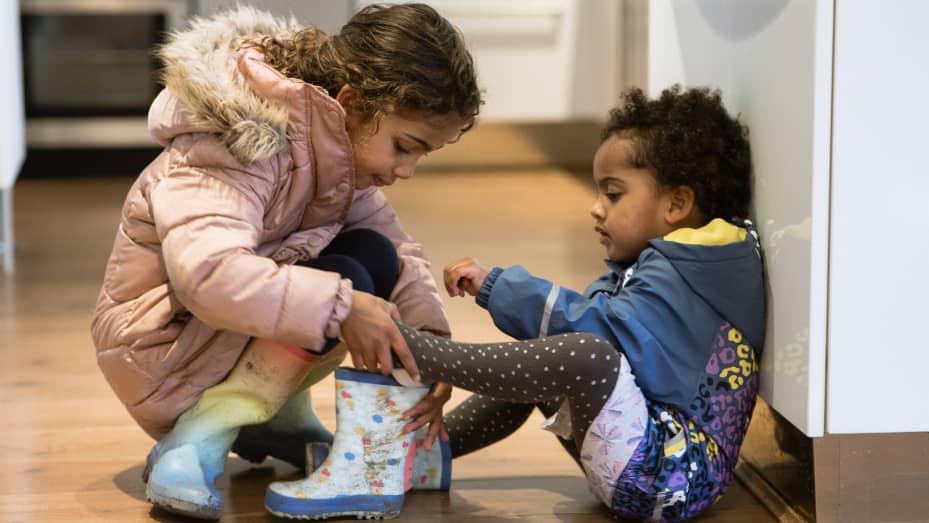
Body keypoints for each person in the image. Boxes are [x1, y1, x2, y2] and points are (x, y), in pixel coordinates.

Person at [266, 85, 764, 522]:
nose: (596, 207)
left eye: (613, 194)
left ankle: (411, 350)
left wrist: (500, 288)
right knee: (554, 353)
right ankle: (418, 456)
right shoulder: (684, 263)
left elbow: (606, 337)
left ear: (677, 204)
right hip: (654, 462)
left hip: (669, 478)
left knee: (584, 355)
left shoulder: (687, 275)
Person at [89, 3, 480, 519]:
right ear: (351, 102)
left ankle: (276, 415)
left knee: (373, 258)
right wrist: (343, 308)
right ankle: (196, 439)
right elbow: (209, 277)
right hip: (163, 352)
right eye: (404, 146)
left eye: (420, 155)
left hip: (217, 341)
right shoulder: (233, 141)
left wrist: (430, 347)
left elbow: (400, 254)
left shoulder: (334, 154)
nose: (406, 171)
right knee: (344, 285)